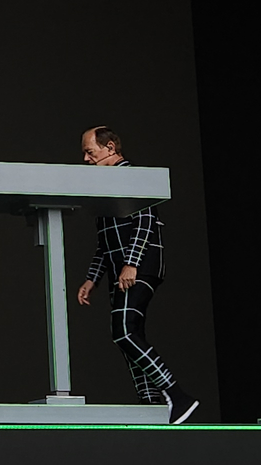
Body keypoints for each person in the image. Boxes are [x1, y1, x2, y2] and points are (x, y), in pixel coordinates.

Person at [73, 125, 202, 424]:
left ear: (110, 148)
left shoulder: (131, 176)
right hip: (121, 269)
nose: (86, 160)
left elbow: (145, 219)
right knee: (129, 333)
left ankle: (176, 394)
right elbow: (105, 240)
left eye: (90, 152)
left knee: (124, 331)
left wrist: (132, 263)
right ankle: (151, 401)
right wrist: (92, 278)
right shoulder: (105, 186)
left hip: (138, 266)